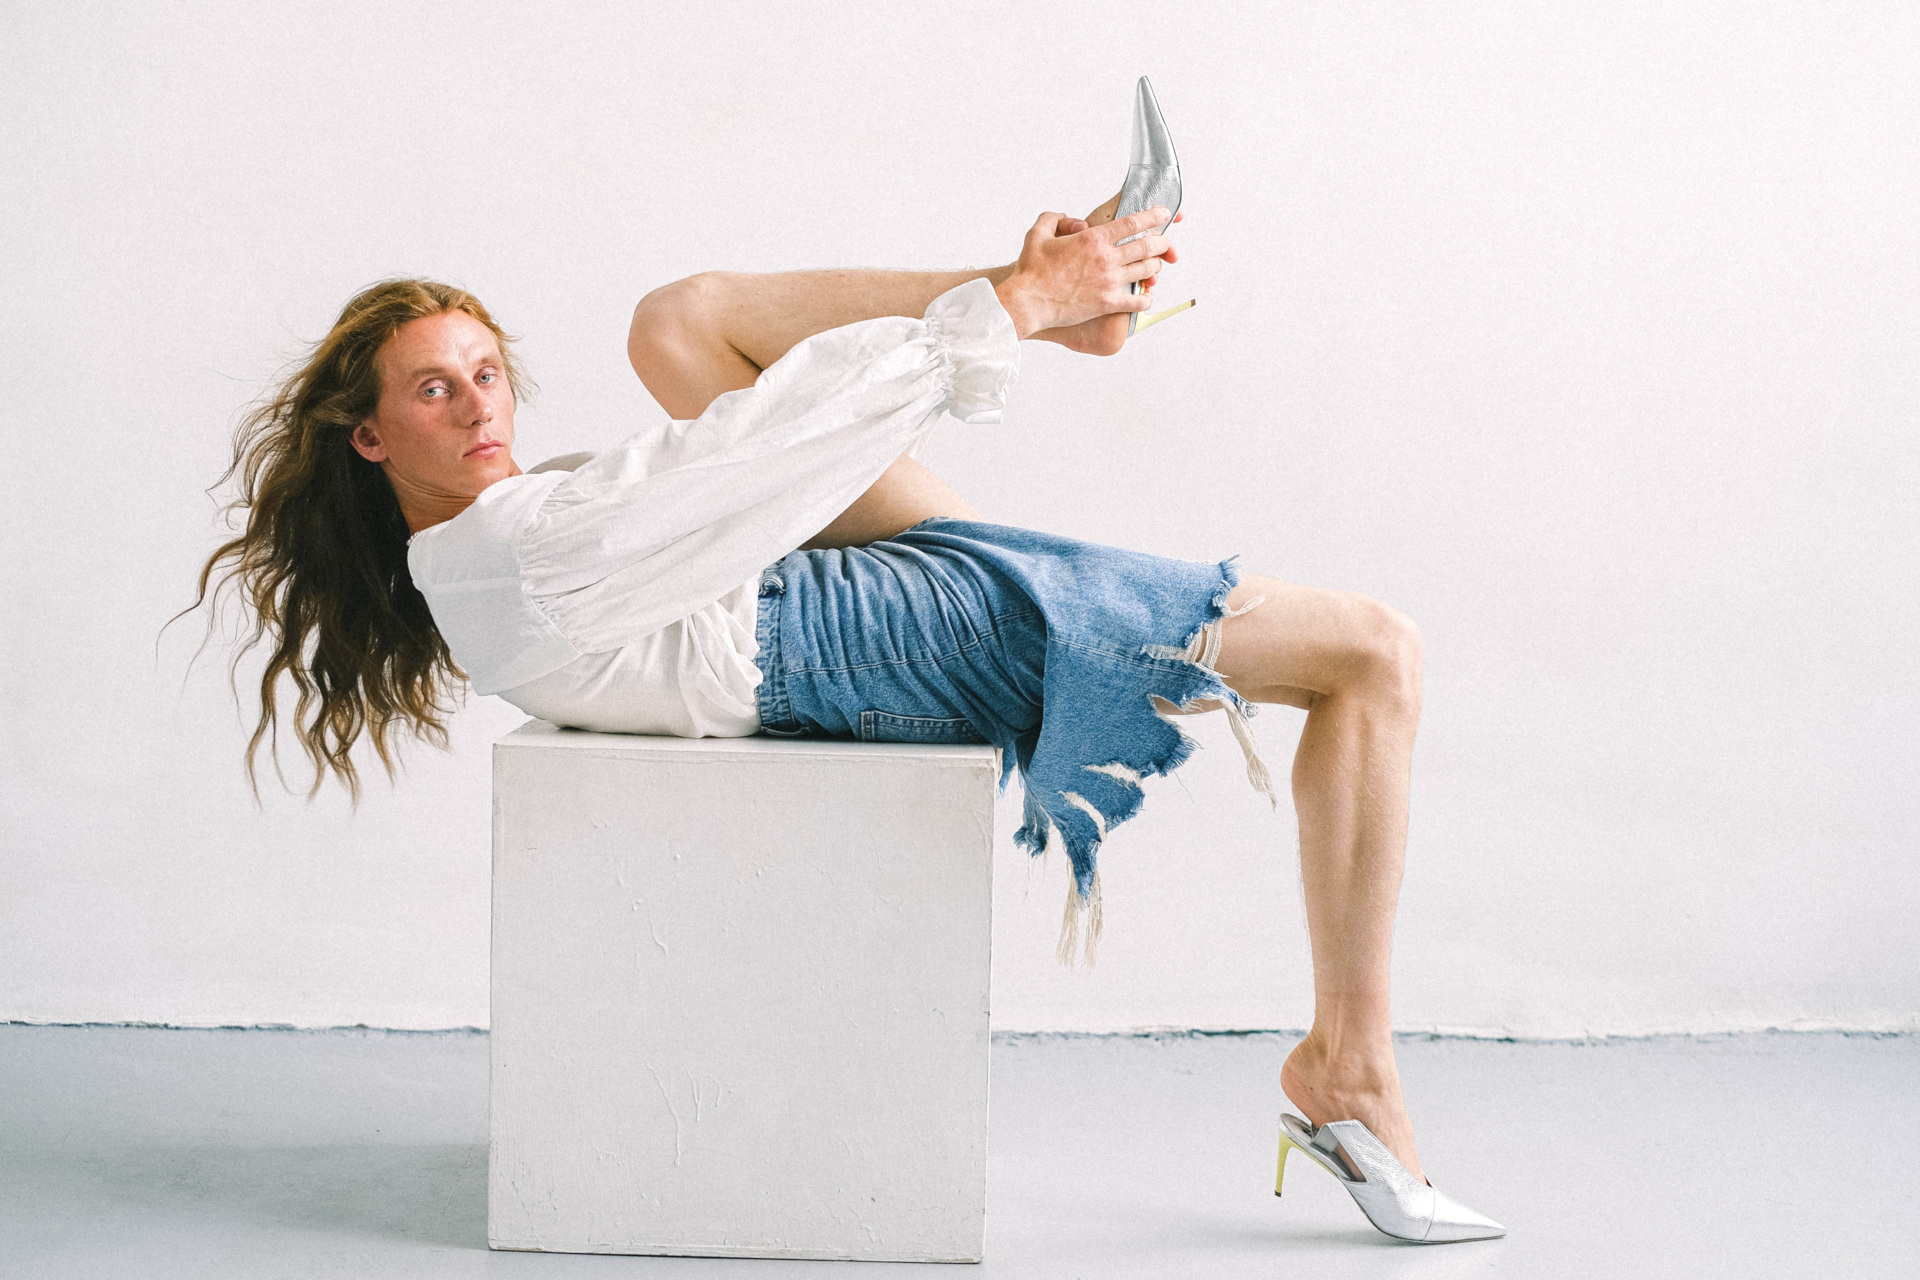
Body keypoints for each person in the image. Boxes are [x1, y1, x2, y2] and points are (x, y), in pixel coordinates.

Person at [189, 198, 1503, 1243]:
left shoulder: (498, 531)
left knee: (678, 319)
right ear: (367, 439)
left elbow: (749, 462)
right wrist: (1005, 309)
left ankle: (1057, 306)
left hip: (842, 590)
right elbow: (751, 453)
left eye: (486, 372)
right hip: (883, 636)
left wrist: (1008, 301)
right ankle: (1351, 1067)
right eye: (433, 390)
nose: (481, 407)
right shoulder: (523, 549)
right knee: (1374, 655)